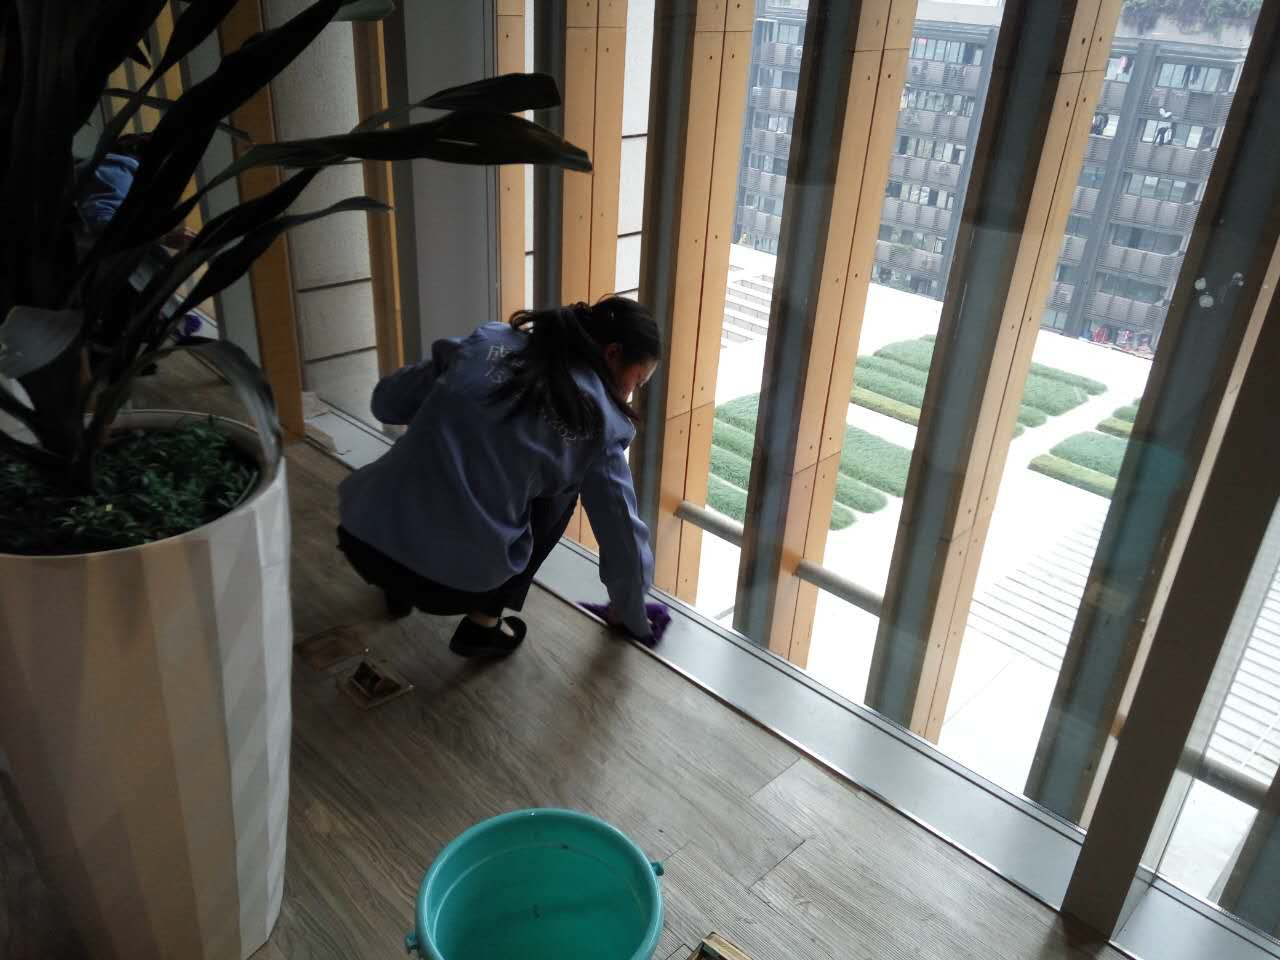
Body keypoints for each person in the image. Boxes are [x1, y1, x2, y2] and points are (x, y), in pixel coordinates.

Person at [337, 297, 661, 658]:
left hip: (361, 538)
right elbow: (622, 534)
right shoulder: (600, 426)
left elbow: (386, 403)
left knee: (437, 433)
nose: (631, 394)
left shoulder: (489, 342)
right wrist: (631, 614)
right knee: (562, 491)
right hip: (450, 587)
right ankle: (483, 624)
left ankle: (395, 586)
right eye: (637, 381)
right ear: (612, 354)